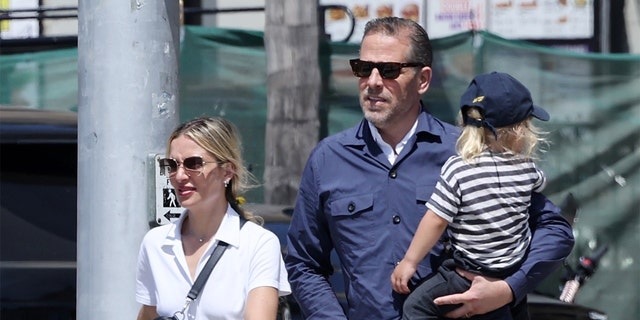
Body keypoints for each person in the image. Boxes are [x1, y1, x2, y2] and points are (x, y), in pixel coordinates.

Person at [285, 17, 574, 319]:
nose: (372, 81)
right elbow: (304, 263)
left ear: (423, 80)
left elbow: (555, 232)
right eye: (362, 68)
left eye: (388, 70)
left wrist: (508, 288)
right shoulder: (328, 159)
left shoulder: (469, 153)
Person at [391, 71, 550, 319]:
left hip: (465, 278)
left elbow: (436, 219)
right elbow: (539, 185)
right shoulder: (528, 170)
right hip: (509, 278)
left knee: (415, 308)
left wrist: (410, 261)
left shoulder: (459, 169)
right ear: (519, 130)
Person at [136, 117, 291, 320]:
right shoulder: (155, 243)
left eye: (193, 163)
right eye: (172, 165)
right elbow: (148, 313)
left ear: (227, 171)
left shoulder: (258, 244)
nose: (180, 176)